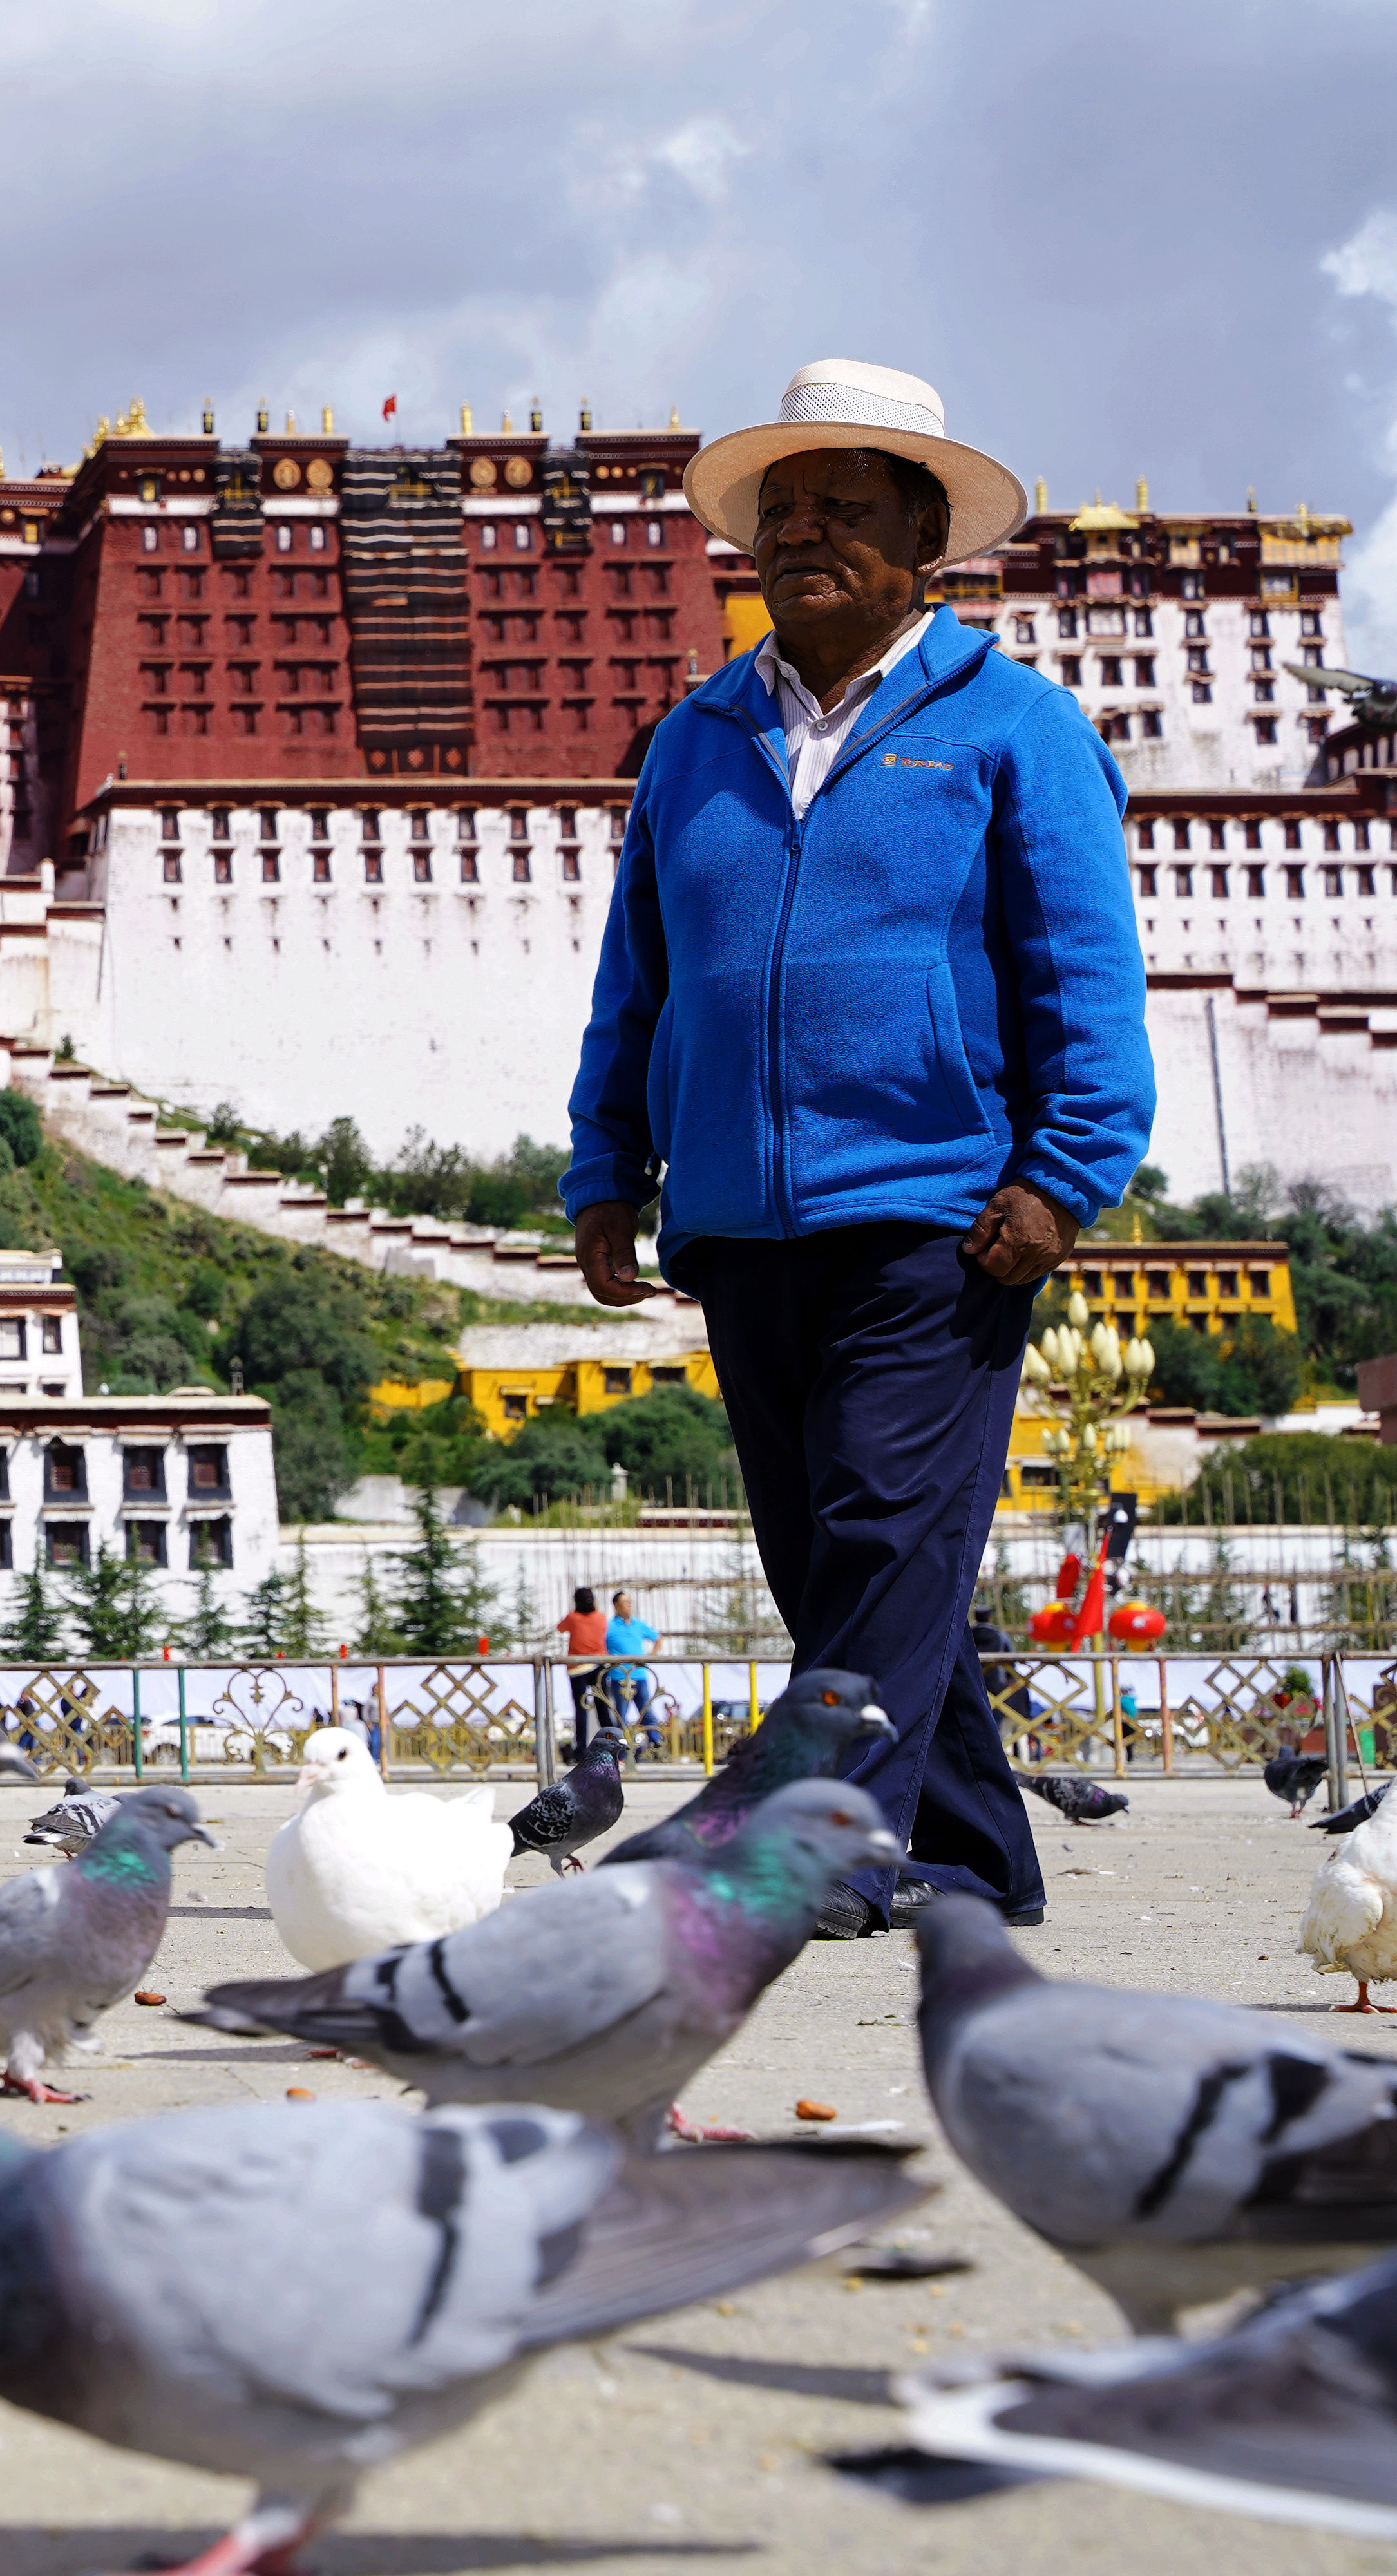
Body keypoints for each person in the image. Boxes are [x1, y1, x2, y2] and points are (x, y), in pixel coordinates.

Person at [565, 359, 1153, 1940]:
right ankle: (969, 1852)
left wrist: (1067, 1171)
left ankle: (811, 1845)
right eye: (782, 513)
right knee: (834, 1552)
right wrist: (604, 1164)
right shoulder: (691, 740)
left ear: (926, 540)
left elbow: (1083, 969)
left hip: (937, 1209)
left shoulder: (1014, 727)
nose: (805, 535)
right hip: (741, 1216)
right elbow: (643, 973)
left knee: (887, 1527)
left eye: (846, 508)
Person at [554, 1586, 610, 1756]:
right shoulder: (601, 1618)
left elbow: (560, 1628)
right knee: (604, 1709)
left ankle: (580, 1750)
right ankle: (613, 1746)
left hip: (578, 1667)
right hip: (599, 1665)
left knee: (581, 1709)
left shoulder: (573, 1617)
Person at [602, 1589, 661, 1739]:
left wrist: (651, 1656)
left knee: (646, 1712)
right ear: (616, 1605)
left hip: (640, 1675)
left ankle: (656, 1744)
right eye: (624, 1603)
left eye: (629, 1602)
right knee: (621, 1717)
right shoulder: (609, 1626)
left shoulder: (639, 1624)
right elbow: (599, 1643)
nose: (628, 1605)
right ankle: (622, 1751)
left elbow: (658, 1638)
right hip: (620, 1676)